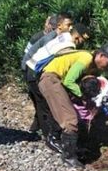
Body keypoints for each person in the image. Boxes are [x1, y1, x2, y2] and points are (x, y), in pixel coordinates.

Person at [38, 43, 108, 168]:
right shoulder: (86, 58)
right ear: (101, 55)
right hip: (51, 79)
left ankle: (64, 144)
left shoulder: (93, 65)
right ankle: (69, 157)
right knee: (70, 119)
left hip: (55, 80)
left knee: (72, 114)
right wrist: (84, 97)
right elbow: (69, 81)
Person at [25, 23, 91, 152]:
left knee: (44, 105)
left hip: (31, 67)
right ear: (77, 37)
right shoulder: (68, 46)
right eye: (81, 41)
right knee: (49, 106)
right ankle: (52, 139)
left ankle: (47, 134)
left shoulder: (63, 36)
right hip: (37, 71)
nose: (80, 44)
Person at [21, 13, 75, 132]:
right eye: (68, 25)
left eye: (72, 25)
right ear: (59, 26)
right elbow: (34, 56)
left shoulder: (58, 37)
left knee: (41, 102)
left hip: (32, 70)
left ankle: (40, 128)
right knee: (43, 103)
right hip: (32, 70)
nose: (71, 28)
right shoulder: (52, 38)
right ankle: (48, 134)